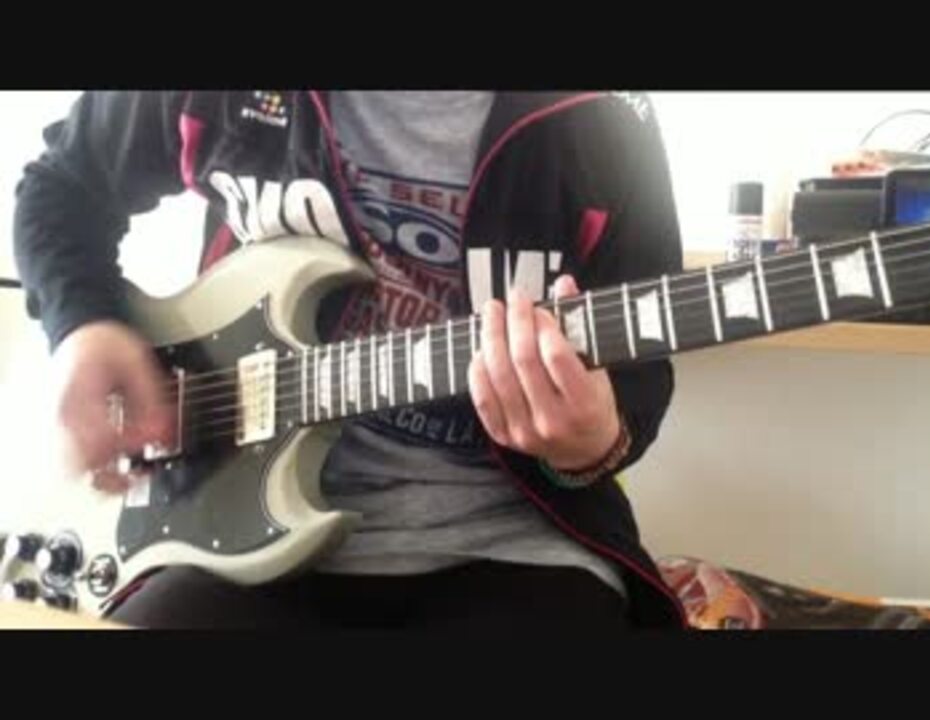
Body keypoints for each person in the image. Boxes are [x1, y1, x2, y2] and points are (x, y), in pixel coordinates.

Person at [13, 91, 687, 630]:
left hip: (516, 548)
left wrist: (590, 444)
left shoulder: (607, 116)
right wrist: (84, 327)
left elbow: (641, 381)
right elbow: (62, 187)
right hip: (229, 537)